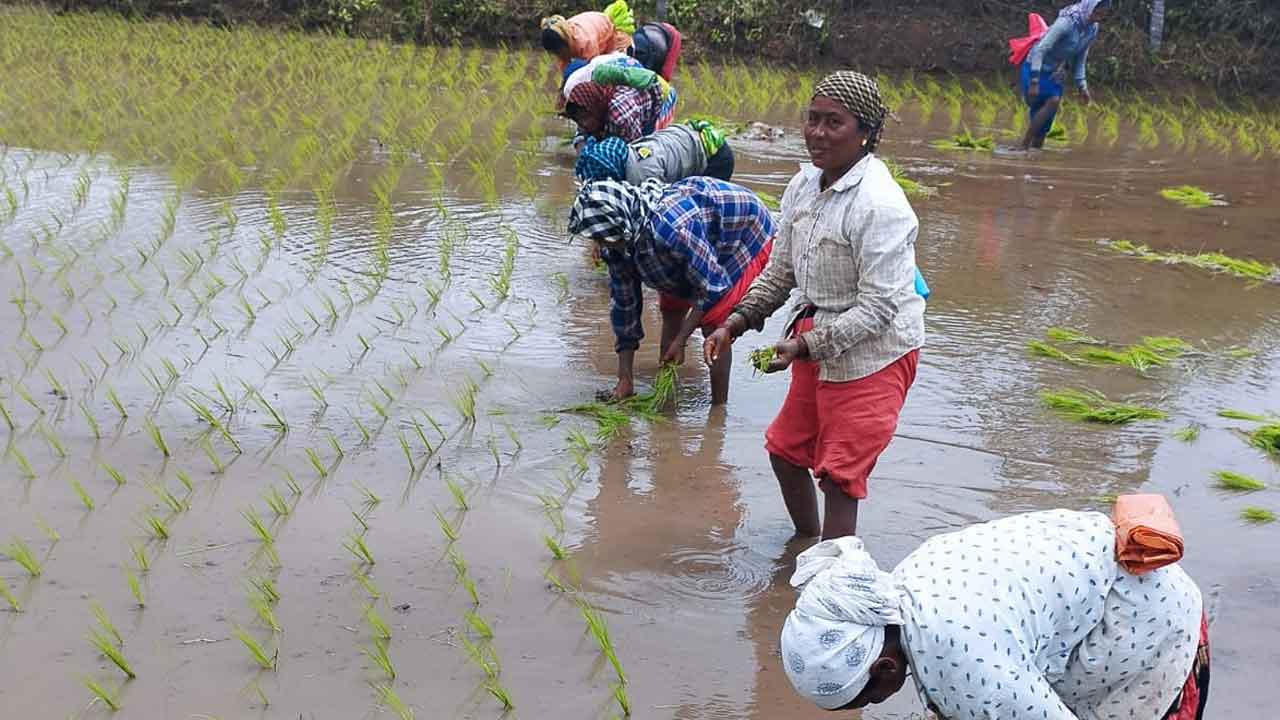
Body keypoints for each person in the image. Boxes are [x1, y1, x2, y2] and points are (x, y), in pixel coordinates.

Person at [703, 71, 925, 540]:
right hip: (816, 335)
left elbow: (878, 310)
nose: (817, 133)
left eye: (833, 123)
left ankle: (832, 590)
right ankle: (807, 547)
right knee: (785, 452)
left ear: (865, 133)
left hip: (876, 353)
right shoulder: (804, 187)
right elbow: (780, 271)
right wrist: (735, 323)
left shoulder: (880, 205)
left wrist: (803, 347)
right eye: (812, 120)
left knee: (839, 476)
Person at [779, 508, 1211, 720]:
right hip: (1107, 595)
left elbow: (987, 690)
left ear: (886, 667)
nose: (874, 704)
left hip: (1151, 634)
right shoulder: (903, 587)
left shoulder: (963, 664)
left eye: (867, 699)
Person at [567, 177, 775, 405]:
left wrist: (683, 339)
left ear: (618, 225)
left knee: (714, 322)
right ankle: (666, 393)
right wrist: (624, 378)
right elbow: (624, 307)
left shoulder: (672, 228)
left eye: (601, 237)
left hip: (745, 233)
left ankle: (718, 411)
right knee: (671, 309)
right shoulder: (619, 243)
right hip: (697, 243)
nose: (600, 244)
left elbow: (712, 285)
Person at [1018, 0, 1111, 149]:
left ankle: (1034, 156)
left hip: (1055, 73)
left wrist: (1082, 87)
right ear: (1089, 8)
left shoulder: (1092, 29)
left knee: (1044, 126)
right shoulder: (1066, 23)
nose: (1098, 17)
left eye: (1103, 15)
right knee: (1052, 101)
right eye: (1097, 13)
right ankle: (1023, 146)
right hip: (1035, 67)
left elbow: (1081, 58)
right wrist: (1034, 81)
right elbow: (1040, 50)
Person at [561, 55, 679, 145]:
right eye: (580, 120)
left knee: (653, 144)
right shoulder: (588, 107)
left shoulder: (621, 116)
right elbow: (581, 135)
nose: (583, 123)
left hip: (661, 96)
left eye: (585, 119)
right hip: (634, 93)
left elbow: (635, 150)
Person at [574, 121, 734, 184]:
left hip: (715, 158)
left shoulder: (643, 176)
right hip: (693, 139)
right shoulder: (629, 151)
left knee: (702, 212)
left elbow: (658, 212)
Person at [540, 1, 635, 75]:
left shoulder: (585, 41)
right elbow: (566, 71)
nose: (557, 55)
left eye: (558, 52)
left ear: (564, 44)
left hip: (613, 37)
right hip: (597, 37)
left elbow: (594, 71)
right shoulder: (560, 41)